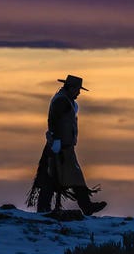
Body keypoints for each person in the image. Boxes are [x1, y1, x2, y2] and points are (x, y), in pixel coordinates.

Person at [27, 74, 107, 215]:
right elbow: (54, 122)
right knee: (60, 177)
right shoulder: (61, 101)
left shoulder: (65, 100)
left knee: (57, 177)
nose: (79, 93)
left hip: (63, 146)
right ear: (71, 88)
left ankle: (48, 207)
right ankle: (85, 206)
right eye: (77, 89)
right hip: (60, 147)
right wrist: (56, 140)